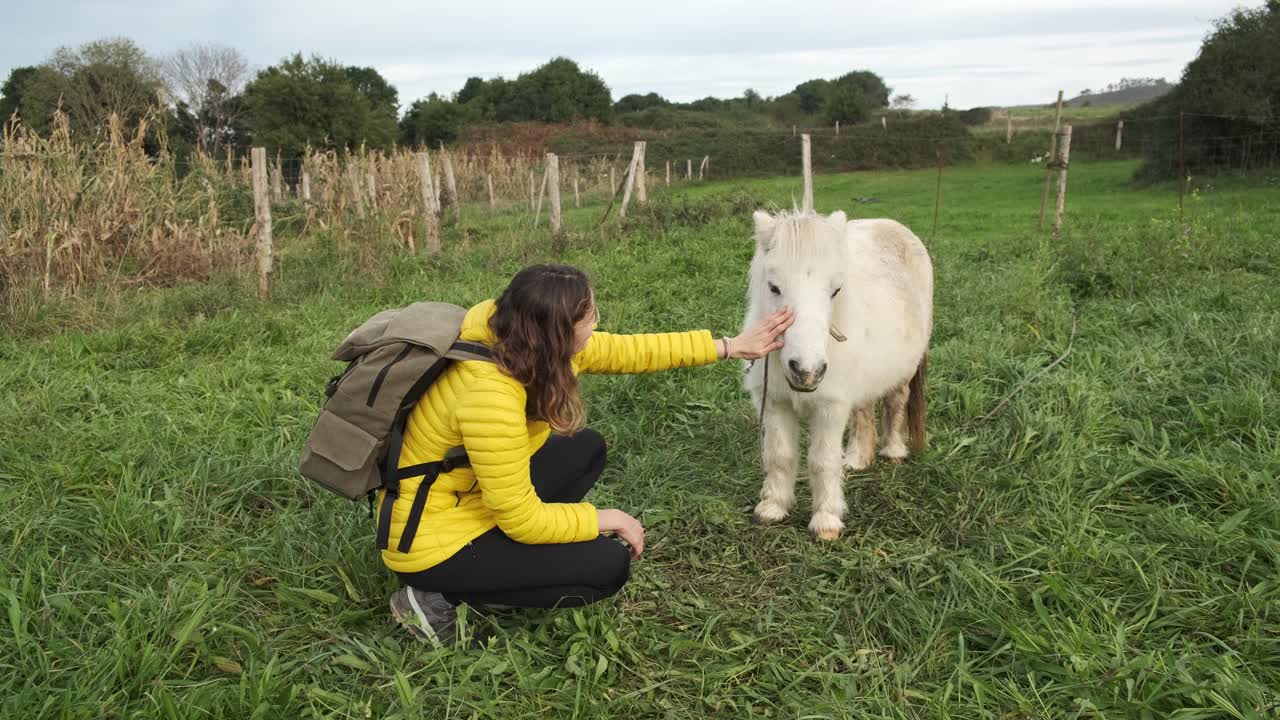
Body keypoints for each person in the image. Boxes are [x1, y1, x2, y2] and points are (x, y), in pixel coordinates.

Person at [384, 264, 793, 645]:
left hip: (467, 498)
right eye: (591, 316)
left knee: (584, 449)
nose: (596, 323)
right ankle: (433, 597)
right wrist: (604, 518)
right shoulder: (489, 396)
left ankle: (500, 571)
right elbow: (521, 519)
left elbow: (632, 351)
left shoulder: (521, 340)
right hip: (430, 542)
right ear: (559, 332)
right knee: (606, 566)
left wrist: (730, 346)